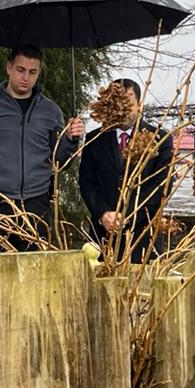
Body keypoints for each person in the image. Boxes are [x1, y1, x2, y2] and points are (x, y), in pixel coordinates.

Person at [0, 45, 85, 252]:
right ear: (9, 68)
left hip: (36, 209)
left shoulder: (51, 111)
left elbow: (59, 163)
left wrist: (70, 140)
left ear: (39, 72)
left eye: (32, 72)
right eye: (20, 70)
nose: (26, 77)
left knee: (37, 279)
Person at [78, 79, 176, 260]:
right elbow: (87, 182)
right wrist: (103, 213)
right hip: (102, 237)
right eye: (118, 102)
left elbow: (162, 184)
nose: (122, 108)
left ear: (140, 104)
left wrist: (127, 215)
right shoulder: (95, 139)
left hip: (143, 237)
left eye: (128, 102)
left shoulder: (160, 138)